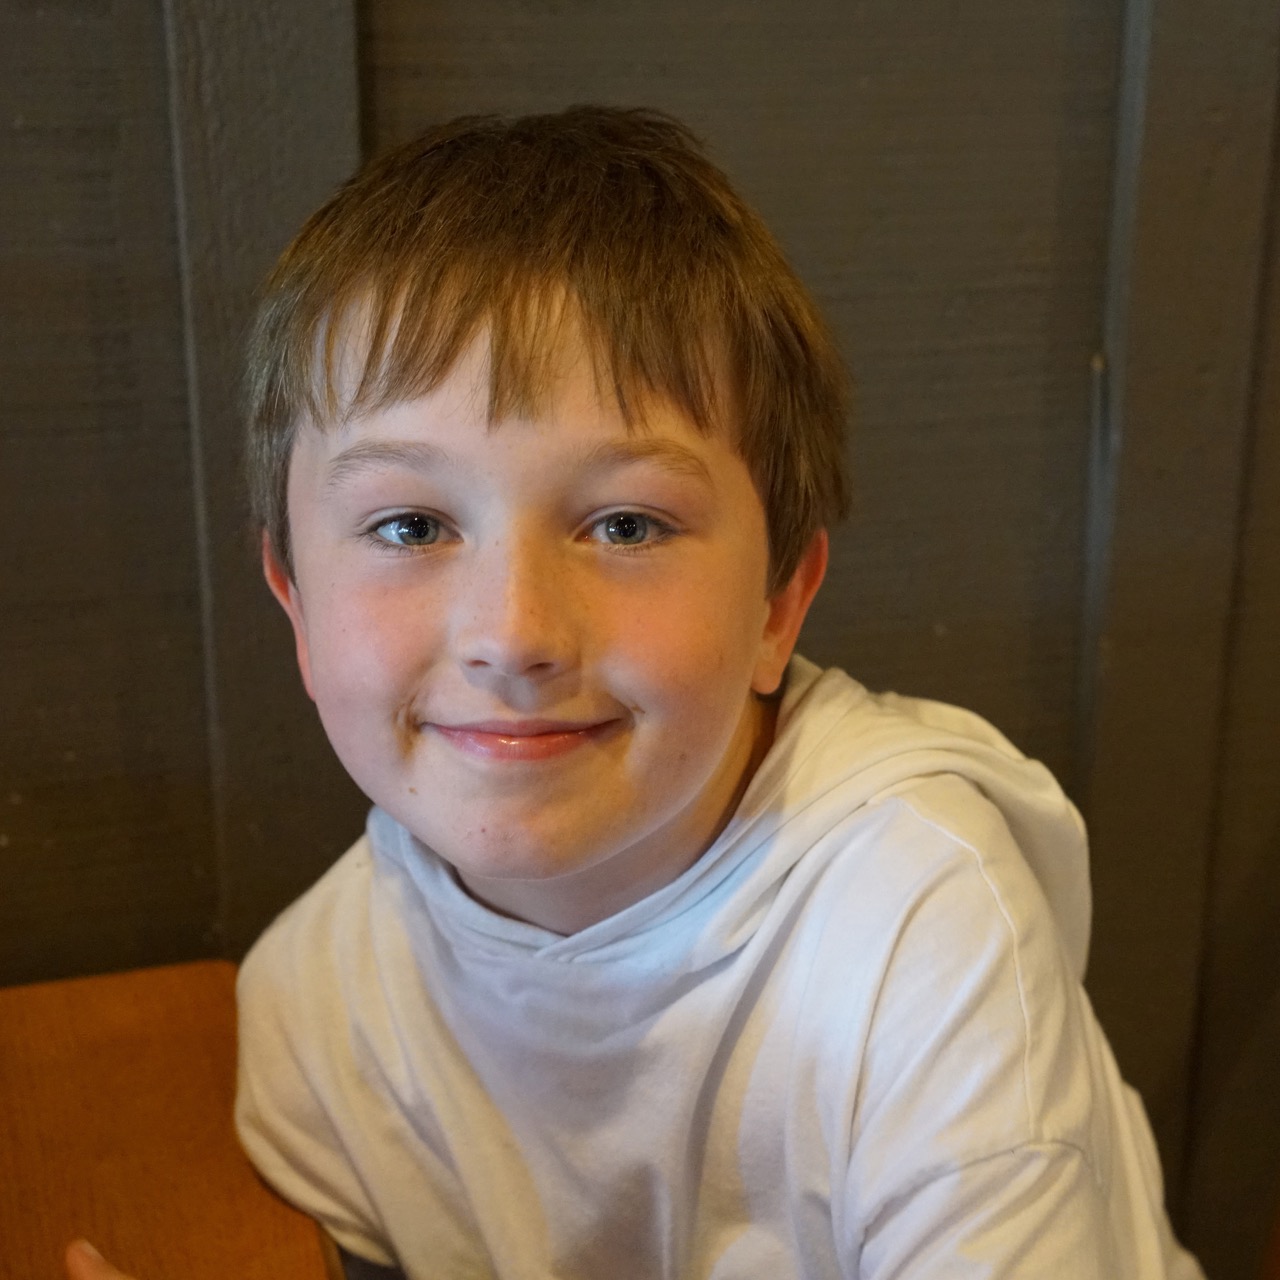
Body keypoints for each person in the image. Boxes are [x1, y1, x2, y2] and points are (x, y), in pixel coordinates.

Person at [66, 106, 1205, 1280]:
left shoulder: (914, 925)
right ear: (297, 604)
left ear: (777, 603)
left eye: (624, 524)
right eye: (410, 525)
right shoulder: (322, 1008)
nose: (512, 633)